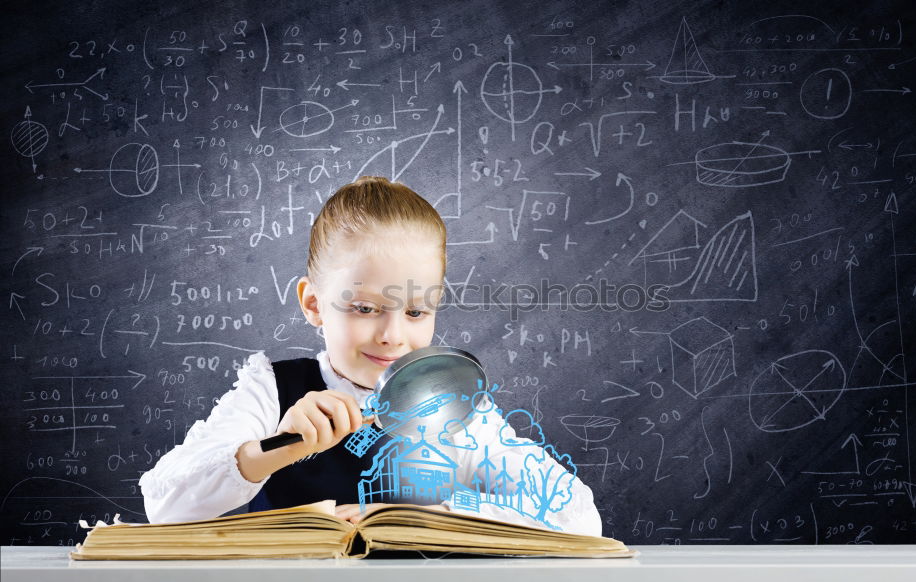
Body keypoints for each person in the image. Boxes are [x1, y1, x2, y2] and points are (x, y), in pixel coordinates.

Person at [139, 176, 603, 537]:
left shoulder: (456, 409)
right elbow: (165, 504)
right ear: (314, 304)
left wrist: (436, 515)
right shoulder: (271, 390)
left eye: (417, 310)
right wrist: (278, 446)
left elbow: (578, 516)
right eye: (364, 308)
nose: (392, 335)